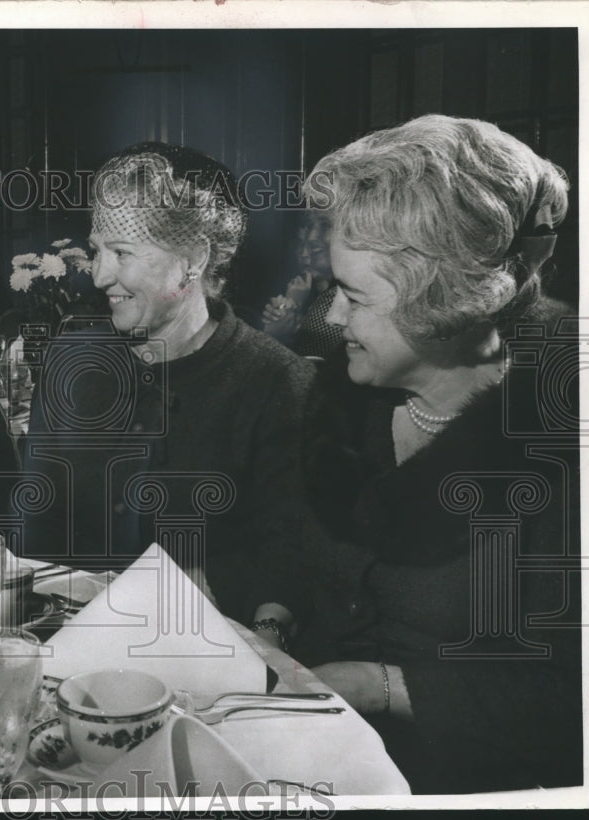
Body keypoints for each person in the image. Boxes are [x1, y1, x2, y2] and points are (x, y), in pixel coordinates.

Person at [249, 115, 581, 793]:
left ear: (445, 303)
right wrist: (271, 623)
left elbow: (571, 704)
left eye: (352, 296)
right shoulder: (344, 396)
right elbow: (292, 536)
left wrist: (381, 687)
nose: (332, 321)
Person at [20, 142, 314, 620]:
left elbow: (290, 556)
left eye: (122, 252)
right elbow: (38, 521)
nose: (99, 275)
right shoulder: (72, 360)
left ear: (192, 259)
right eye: (97, 250)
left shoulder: (276, 382)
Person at [260, 211, 344, 358]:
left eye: (315, 248)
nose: (304, 254)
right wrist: (292, 307)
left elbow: (307, 360)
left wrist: (275, 334)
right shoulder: (308, 293)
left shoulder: (334, 298)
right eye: (299, 246)